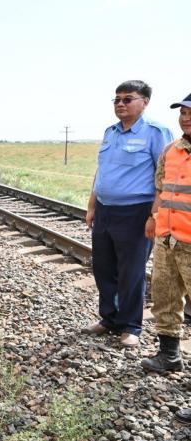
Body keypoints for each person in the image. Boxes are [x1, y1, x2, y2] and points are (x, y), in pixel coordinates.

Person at [82, 80, 174, 346]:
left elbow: (164, 177)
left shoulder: (156, 132)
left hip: (136, 212)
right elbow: (102, 172)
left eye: (127, 99)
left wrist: (154, 216)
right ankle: (109, 318)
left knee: (131, 272)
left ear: (144, 102)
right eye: (117, 100)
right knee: (103, 267)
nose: (120, 104)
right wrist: (91, 206)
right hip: (105, 210)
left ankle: (131, 326)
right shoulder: (110, 132)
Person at [141, 93, 191, 374]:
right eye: (182, 113)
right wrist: (153, 217)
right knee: (165, 297)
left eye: (190, 113)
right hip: (168, 240)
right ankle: (169, 356)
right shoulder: (172, 150)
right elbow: (161, 188)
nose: (185, 118)